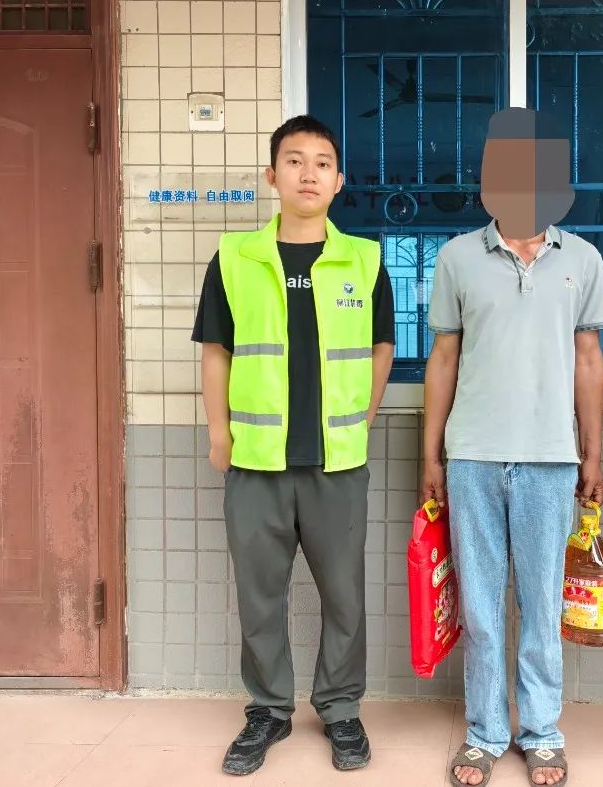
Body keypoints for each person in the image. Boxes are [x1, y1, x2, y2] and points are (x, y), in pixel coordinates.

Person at [192, 115, 395, 776]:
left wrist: (362, 417)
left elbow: (381, 346)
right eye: (295, 161)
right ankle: (269, 709)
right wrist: (219, 432)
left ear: (339, 181)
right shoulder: (234, 259)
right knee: (260, 595)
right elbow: (217, 350)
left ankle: (340, 708)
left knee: (344, 596)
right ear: (271, 175)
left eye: (322, 163)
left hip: (338, 463)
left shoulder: (364, 260)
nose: (309, 173)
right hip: (256, 462)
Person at [421, 107, 603, 787]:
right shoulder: (457, 257)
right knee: (478, 607)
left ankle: (541, 731)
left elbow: (589, 360)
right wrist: (431, 454)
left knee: (540, 604)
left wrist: (593, 452)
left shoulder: (582, 258)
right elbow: (444, 358)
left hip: (551, 460)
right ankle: (483, 732)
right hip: (472, 455)